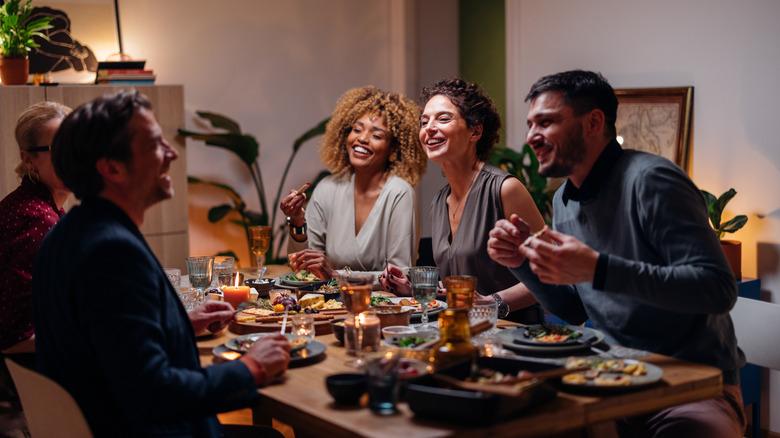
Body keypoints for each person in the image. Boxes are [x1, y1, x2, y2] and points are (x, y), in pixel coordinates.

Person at [487, 70, 745, 437]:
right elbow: (575, 308)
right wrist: (522, 263)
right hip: (612, 377)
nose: (531, 137)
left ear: (593, 122)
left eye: (546, 122)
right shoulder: (564, 200)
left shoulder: (651, 180)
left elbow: (717, 288)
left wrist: (598, 268)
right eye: (530, 124)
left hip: (692, 384)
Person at [32, 91, 290, 437]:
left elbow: (106, 345)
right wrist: (251, 368)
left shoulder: (68, 232)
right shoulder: (111, 252)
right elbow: (151, 392)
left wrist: (177, 325)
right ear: (112, 168)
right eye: (155, 144)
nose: (171, 152)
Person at [382, 79, 546, 323]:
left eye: (443, 119)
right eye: (424, 122)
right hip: (461, 333)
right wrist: (415, 289)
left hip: (515, 335)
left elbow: (548, 273)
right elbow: (459, 290)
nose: (429, 128)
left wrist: (494, 303)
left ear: (475, 131)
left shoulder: (505, 189)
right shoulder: (439, 202)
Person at [281, 86, 427, 280]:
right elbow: (304, 268)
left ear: (393, 150)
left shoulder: (399, 193)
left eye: (376, 135)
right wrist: (297, 221)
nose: (362, 138)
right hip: (327, 306)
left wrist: (336, 275)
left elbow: (399, 275)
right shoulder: (327, 188)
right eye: (356, 129)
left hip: (381, 306)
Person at [0, 102, 71, 354]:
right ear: (28, 159)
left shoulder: (35, 206)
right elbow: (15, 337)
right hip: (24, 379)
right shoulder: (36, 219)